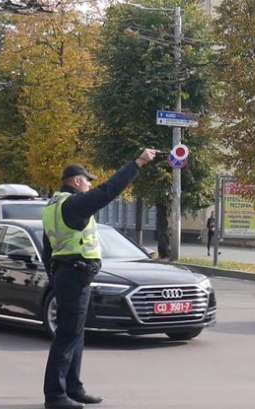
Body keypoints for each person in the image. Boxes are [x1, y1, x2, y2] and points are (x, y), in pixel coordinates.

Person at [42, 149, 158, 409]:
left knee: (74, 334)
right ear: (76, 181)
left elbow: (47, 247)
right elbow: (108, 191)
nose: (89, 185)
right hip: (74, 274)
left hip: (68, 274)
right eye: (87, 181)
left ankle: (73, 388)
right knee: (67, 335)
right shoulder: (74, 204)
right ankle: (55, 395)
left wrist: (55, 277)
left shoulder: (53, 206)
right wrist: (137, 162)